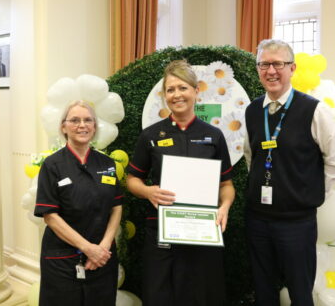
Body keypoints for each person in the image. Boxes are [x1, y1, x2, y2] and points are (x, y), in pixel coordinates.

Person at [243, 39, 335, 306]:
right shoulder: (253, 110)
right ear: (258, 69)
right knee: (263, 291)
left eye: (278, 63)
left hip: (296, 223)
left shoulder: (314, 110)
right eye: (264, 64)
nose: (271, 71)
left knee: (300, 294)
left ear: (292, 68)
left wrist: (307, 193)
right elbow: (250, 156)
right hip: (258, 219)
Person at [126, 60, 235, 306]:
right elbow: (132, 179)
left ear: (196, 92)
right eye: (171, 89)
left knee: (202, 295)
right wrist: (147, 191)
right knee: (161, 295)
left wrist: (225, 206)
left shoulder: (214, 136)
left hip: (203, 231)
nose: (177, 95)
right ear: (164, 96)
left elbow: (226, 184)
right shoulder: (151, 136)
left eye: (183, 88)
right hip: (162, 233)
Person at [34, 100, 123, 306]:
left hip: (102, 257)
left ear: (94, 126)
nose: (82, 125)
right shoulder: (52, 165)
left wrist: (103, 246)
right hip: (63, 259)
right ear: (64, 127)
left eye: (87, 120)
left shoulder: (107, 164)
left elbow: (116, 207)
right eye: (74, 120)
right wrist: (87, 248)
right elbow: (50, 216)